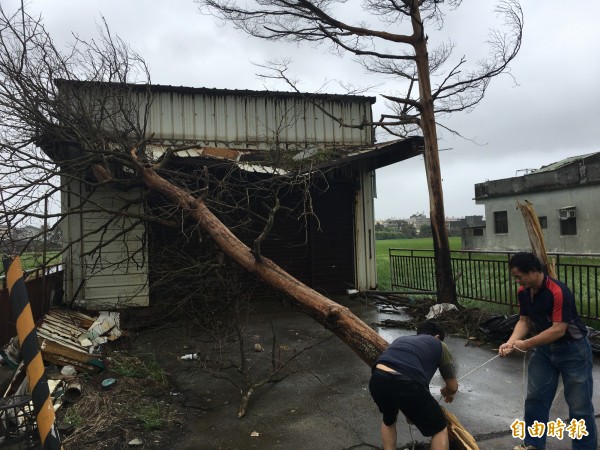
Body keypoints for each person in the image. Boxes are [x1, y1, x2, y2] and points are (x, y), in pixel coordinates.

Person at [499, 252, 597, 450]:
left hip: (573, 351)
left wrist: (526, 344)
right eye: (515, 277)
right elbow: (524, 321)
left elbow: (558, 329)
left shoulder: (558, 291)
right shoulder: (523, 292)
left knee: (579, 406)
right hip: (544, 351)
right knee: (535, 399)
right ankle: (533, 445)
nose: (517, 281)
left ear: (534, 271)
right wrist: (510, 342)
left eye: (520, 276)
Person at [369, 321, 458, 450]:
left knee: (389, 420)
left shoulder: (402, 339)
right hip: (407, 381)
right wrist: (447, 392)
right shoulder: (439, 344)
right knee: (439, 427)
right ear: (437, 337)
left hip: (377, 378)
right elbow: (453, 387)